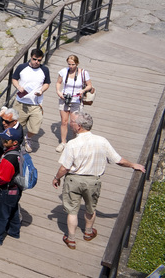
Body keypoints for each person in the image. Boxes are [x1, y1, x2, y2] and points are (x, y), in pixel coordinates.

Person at [52, 111, 145, 249]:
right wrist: (133, 165)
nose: (70, 123)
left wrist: (56, 178)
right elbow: (118, 160)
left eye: (72, 122)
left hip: (74, 180)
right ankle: (88, 233)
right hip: (93, 181)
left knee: (72, 211)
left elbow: (64, 167)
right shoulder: (102, 141)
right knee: (91, 208)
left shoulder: (72, 144)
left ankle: (71, 239)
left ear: (78, 127)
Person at [12, 48, 51, 153]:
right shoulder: (22, 67)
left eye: (39, 60)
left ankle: (28, 138)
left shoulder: (44, 70)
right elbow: (14, 78)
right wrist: (18, 87)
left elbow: (47, 83)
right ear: (31, 57)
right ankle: (16, 144)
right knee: (17, 126)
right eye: (34, 59)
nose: (36, 62)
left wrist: (42, 90)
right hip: (21, 102)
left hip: (36, 104)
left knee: (35, 128)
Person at [55, 54, 94, 152]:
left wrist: (83, 90)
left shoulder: (83, 73)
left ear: (77, 63)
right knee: (64, 122)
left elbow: (89, 85)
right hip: (65, 99)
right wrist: (58, 91)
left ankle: (74, 142)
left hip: (76, 100)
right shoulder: (63, 72)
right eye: (69, 64)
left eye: (73, 64)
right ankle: (63, 142)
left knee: (74, 123)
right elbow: (58, 82)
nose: (71, 67)